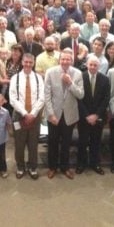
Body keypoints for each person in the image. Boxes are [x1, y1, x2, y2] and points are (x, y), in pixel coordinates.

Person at [44, 49, 84, 180]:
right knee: (52, 142)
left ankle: (65, 167)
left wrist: (70, 83)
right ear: (59, 60)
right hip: (54, 114)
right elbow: (47, 95)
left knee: (66, 143)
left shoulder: (77, 73)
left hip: (70, 115)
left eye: (68, 59)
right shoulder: (50, 72)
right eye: (63, 59)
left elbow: (80, 94)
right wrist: (50, 114)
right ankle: (52, 167)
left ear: (71, 60)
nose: (65, 62)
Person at [8, 53, 44, 179]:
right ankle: (20, 167)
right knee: (19, 143)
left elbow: (41, 98)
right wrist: (24, 113)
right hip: (19, 116)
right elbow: (12, 99)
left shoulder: (39, 78)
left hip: (35, 116)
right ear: (22, 62)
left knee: (33, 143)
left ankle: (33, 167)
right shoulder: (15, 78)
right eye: (26, 62)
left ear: (33, 63)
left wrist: (33, 114)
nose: (28, 64)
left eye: (31, 62)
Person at [77, 55, 111, 175]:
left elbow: (106, 99)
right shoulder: (80, 77)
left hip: (98, 116)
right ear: (87, 65)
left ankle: (95, 163)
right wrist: (87, 115)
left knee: (96, 142)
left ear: (99, 66)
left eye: (95, 65)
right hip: (83, 117)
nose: (92, 67)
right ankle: (81, 164)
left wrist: (96, 115)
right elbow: (78, 99)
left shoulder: (105, 79)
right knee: (82, 141)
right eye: (90, 64)